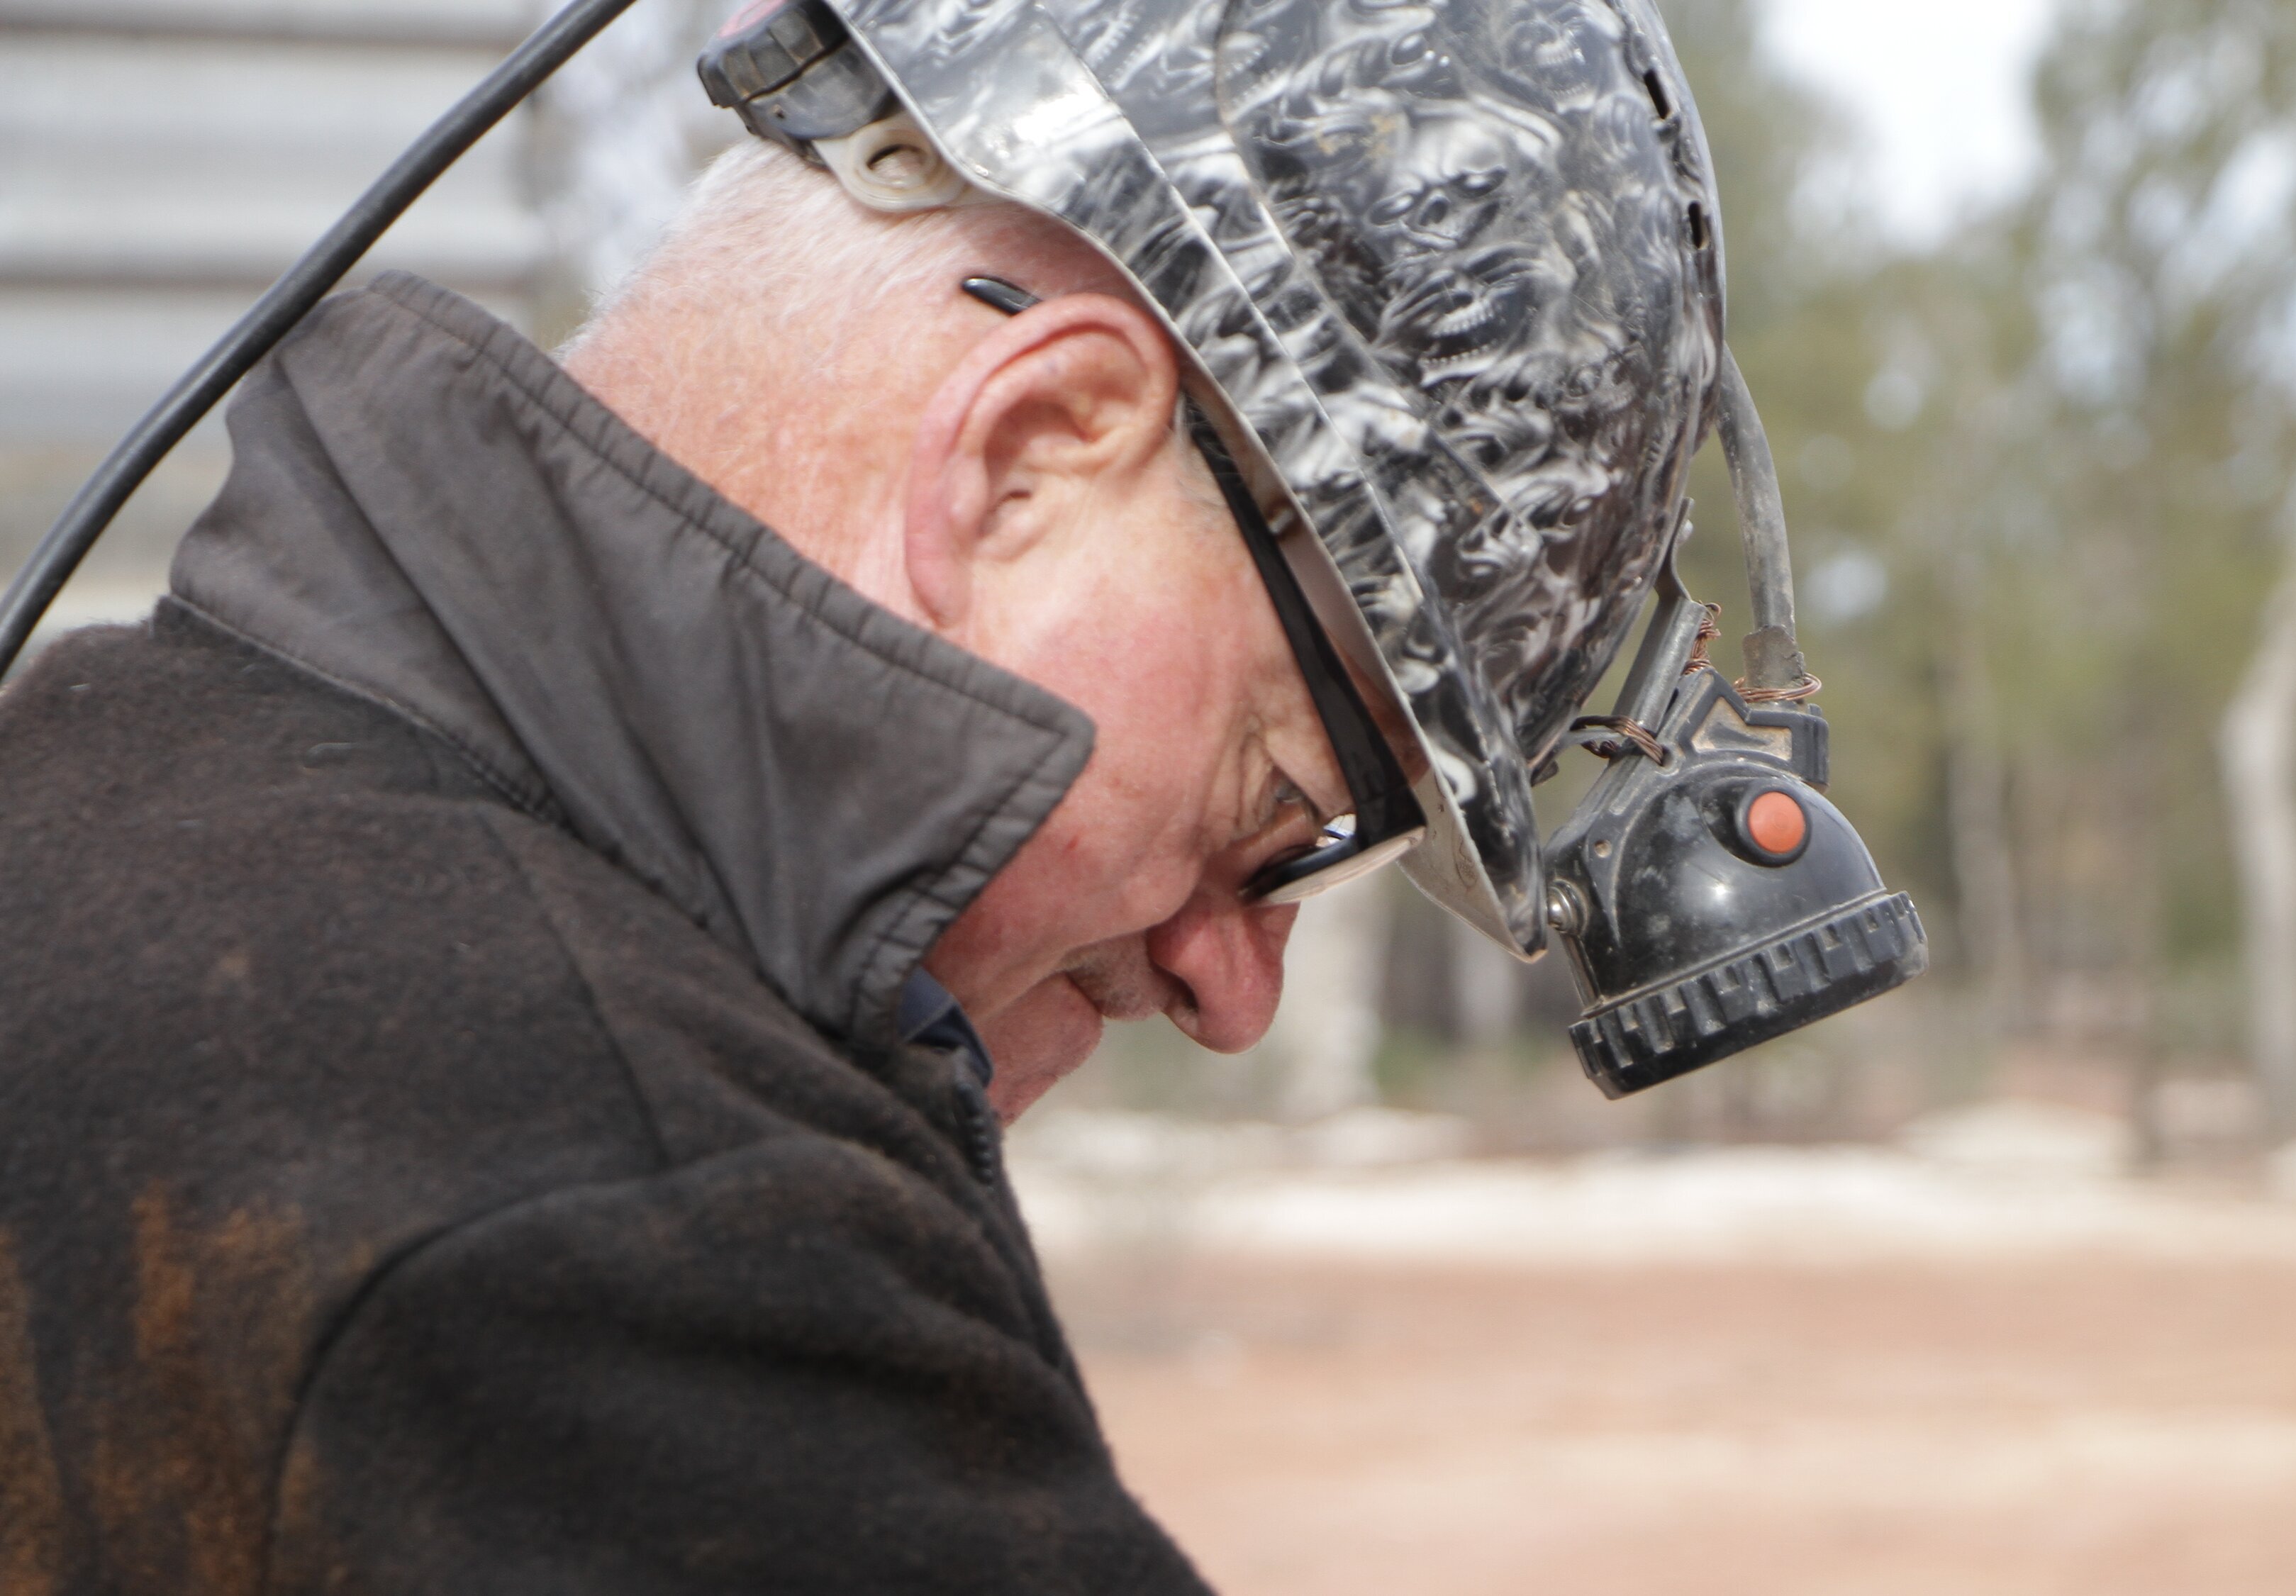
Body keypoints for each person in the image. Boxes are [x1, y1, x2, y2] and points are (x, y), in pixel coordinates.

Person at [0, 0, 1725, 1586]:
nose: (1234, 989)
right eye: (1291, 803)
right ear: (1024, 458)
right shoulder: (639, 1247)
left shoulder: (73, 806)